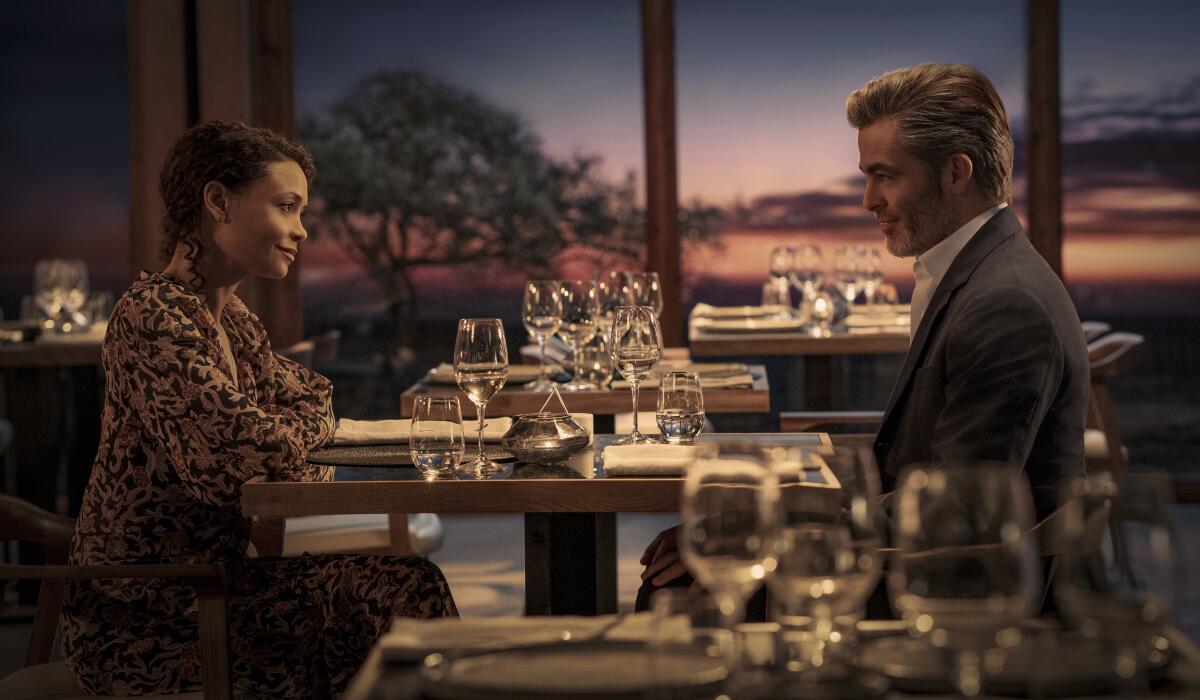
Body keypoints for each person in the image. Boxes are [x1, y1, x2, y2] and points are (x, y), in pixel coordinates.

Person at [638, 63, 1088, 611]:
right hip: (924, 557)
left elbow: (957, 507)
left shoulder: (1005, 304)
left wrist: (762, 529)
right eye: (866, 176)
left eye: (885, 175)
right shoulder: (983, 272)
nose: (867, 199)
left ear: (956, 173)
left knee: (676, 589)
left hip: (955, 592)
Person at [60, 121, 458, 698]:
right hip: (149, 615)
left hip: (224, 586)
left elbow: (313, 405)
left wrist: (284, 440)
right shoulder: (152, 318)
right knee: (396, 597)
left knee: (404, 586)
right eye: (287, 207)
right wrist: (285, 441)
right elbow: (248, 458)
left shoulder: (235, 321)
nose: (300, 231)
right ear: (219, 201)